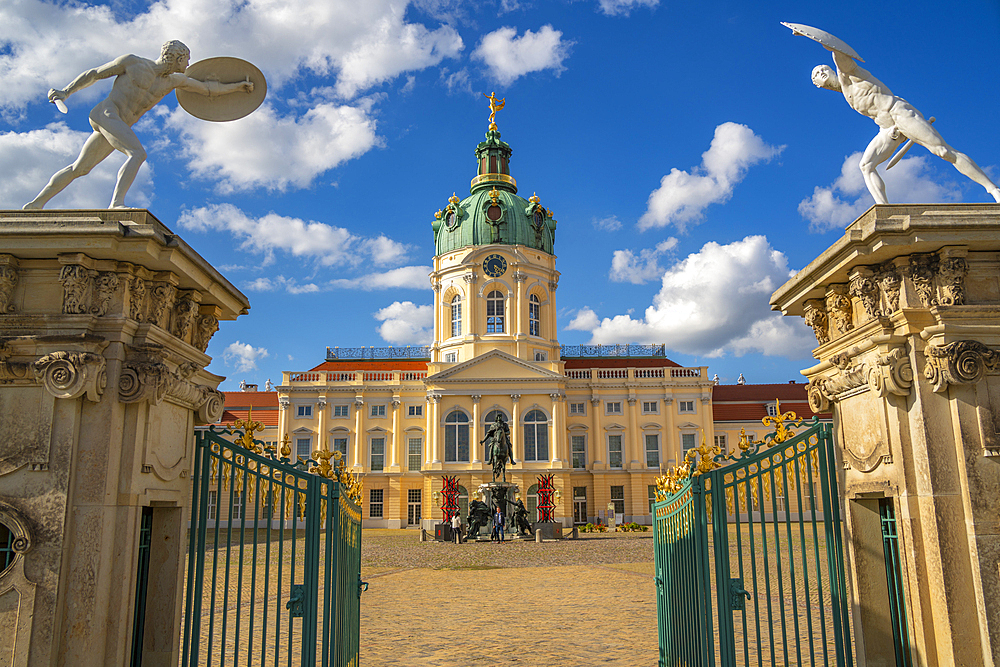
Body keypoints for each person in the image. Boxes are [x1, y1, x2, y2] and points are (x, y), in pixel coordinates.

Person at [24, 40, 254, 210]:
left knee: (80, 169)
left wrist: (239, 86)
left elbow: (208, 89)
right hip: (106, 113)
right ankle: (116, 205)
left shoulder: (175, 81)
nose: (189, 63)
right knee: (137, 153)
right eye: (187, 58)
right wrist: (66, 91)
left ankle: (34, 205)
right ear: (176, 58)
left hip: (117, 123)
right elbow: (94, 74)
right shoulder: (132, 63)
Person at [812, 48, 1000, 205]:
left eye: (823, 70)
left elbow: (838, 52)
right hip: (886, 128)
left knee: (943, 151)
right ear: (819, 86)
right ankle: (884, 209)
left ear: (831, 70)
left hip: (898, 112)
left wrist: (819, 39)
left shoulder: (850, 74)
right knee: (866, 166)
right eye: (817, 76)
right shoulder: (846, 95)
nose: (821, 74)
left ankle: (993, 189)